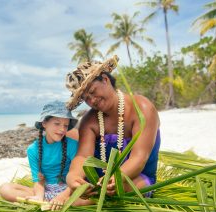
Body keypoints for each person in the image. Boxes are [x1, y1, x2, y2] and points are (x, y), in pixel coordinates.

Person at [65, 55, 161, 197]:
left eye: (92, 91)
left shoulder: (142, 108)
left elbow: (139, 158)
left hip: (137, 178)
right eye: (86, 98)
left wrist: (116, 178)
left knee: (115, 195)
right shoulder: (89, 120)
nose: (92, 101)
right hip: (99, 182)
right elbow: (83, 156)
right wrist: (72, 177)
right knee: (79, 196)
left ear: (105, 79)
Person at [0, 101, 90, 210]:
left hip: (69, 190)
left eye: (65, 125)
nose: (62, 129)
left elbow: (77, 177)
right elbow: (38, 181)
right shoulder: (33, 150)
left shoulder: (72, 145)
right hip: (46, 191)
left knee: (86, 199)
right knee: (5, 189)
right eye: (57, 123)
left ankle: (53, 203)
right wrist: (38, 196)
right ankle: (47, 202)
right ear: (44, 123)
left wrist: (62, 196)